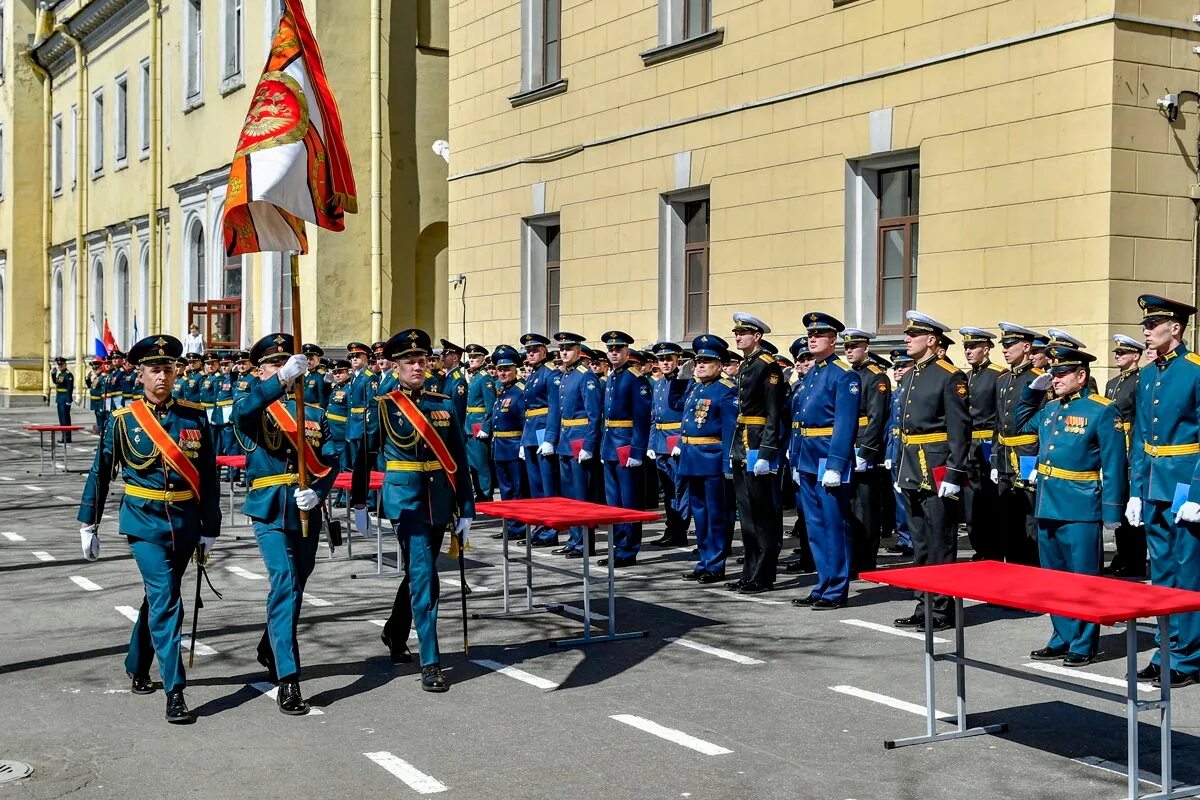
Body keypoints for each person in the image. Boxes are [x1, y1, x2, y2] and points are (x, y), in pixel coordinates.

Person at [77, 334, 221, 724]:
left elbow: (207, 474)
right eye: (155, 369)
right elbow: (101, 471)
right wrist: (88, 521)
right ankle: (175, 690)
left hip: (186, 522)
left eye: (169, 369)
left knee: (160, 597)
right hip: (143, 521)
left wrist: (211, 526)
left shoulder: (193, 415)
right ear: (139, 375)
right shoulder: (123, 420)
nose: (163, 376)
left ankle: (137, 661)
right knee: (166, 600)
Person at [233, 334, 339, 714]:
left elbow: (330, 459)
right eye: (273, 365)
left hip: (305, 509)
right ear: (259, 370)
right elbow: (241, 414)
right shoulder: (256, 406)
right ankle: (288, 677)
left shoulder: (313, 412)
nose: (282, 369)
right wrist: (278, 384)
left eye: (287, 364)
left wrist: (320, 492)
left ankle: (269, 645)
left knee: (297, 582)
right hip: (269, 508)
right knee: (286, 582)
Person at [367, 329, 474, 692]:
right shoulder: (384, 404)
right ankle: (431, 662)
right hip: (406, 501)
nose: (417, 365)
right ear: (395, 366)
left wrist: (468, 507)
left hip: (439, 500)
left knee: (419, 570)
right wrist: (359, 504)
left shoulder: (442, 403)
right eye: (409, 361)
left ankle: (395, 632)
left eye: (422, 360)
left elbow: (458, 457)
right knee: (427, 575)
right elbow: (364, 453)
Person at [1013, 346, 1126, 666]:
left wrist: (1113, 510)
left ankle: (1084, 641)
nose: (1055, 378)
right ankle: (1061, 635)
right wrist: (1031, 393)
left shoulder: (1102, 410)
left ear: (1082, 375)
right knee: (1054, 578)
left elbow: (1115, 463)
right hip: (1048, 502)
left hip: (1080, 505)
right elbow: (1020, 427)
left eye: (1062, 373)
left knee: (1083, 579)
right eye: (1053, 373)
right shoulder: (1049, 409)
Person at [1127, 295, 1200, 688]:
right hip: (1155, 484)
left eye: (1153, 325)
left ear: (1175, 328)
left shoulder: (1195, 371)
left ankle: (1189, 657)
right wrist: (1137, 490)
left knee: (1189, 573)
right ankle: (1166, 650)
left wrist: (1198, 493)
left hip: (1185, 483)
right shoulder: (1149, 374)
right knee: (1163, 573)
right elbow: (1140, 435)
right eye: (1144, 325)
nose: (1146, 331)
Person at [893, 311, 970, 632]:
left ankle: (941, 609)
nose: (907, 339)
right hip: (911, 467)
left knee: (940, 542)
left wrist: (954, 474)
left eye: (913, 335)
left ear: (932, 340)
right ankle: (923, 601)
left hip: (937, 468)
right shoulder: (912, 375)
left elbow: (960, 430)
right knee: (921, 543)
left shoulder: (949, 376)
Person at [789, 314, 859, 610]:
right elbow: (799, 421)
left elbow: (845, 423)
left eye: (819, 334)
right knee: (815, 525)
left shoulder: (844, 374)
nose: (812, 338)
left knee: (834, 525)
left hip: (827, 458)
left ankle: (836, 588)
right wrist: (795, 459)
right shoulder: (812, 374)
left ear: (833, 340)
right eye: (809, 334)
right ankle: (823, 583)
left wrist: (836, 463)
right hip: (806, 457)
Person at [725, 313, 786, 594]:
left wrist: (767, 452)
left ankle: (764, 574)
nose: (737, 336)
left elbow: (774, 414)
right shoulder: (748, 364)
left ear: (757, 336)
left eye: (743, 332)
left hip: (759, 443)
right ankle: (749, 571)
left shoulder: (767, 366)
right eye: (736, 332)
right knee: (746, 514)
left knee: (764, 516)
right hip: (743, 443)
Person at [676, 335, 738, 582]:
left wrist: (727, 464)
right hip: (692, 459)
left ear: (720, 365)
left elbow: (730, 430)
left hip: (712, 460)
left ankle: (715, 563)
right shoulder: (695, 388)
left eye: (706, 361)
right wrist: (680, 378)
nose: (699, 365)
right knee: (699, 515)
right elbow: (674, 404)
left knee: (716, 515)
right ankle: (704, 560)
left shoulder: (725, 391)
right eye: (698, 361)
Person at [542, 332, 602, 557]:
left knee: (581, 495)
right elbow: (557, 412)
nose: (564, 352)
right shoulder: (565, 376)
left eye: (568, 348)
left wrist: (589, 444)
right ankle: (574, 539)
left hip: (579, 439)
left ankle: (585, 543)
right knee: (568, 495)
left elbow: (594, 414)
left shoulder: (585, 376)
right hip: (566, 440)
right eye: (562, 349)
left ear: (578, 350)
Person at [990, 322, 1045, 565]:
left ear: (1026, 347)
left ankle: (1030, 575)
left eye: (1010, 345)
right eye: (1004, 345)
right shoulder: (1002, 380)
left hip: (1028, 454)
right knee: (1008, 518)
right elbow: (997, 423)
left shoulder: (1038, 380)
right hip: (1005, 455)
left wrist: (1038, 462)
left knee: (1028, 520)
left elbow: (1044, 423)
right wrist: (994, 458)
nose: (1005, 349)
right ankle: (1012, 575)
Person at [598, 331, 653, 567]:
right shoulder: (612, 376)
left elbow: (641, 418)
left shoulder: (635, 378)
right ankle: (617, 546)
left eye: (618, 349)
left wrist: (637, 450)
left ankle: (629, 549)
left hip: (627, 445)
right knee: (613, 502)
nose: (613, 353)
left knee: (629, 501)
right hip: (611, 444)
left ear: (627, 352)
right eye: (610, 350)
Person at [841, 329, 889, 575]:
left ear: (866, 348)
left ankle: (865, 560)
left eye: (854, 346)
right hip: (847, 444)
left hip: (863, 446)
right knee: (848, 506)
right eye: (847, 347)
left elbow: (877, 417)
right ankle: (851, 557)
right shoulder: (849, 375)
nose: (849, 350)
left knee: (865, 507)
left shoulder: (876, 377)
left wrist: (866, 451)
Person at [958, 327, 1005, 561]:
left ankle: (992, 549)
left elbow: (999, 414)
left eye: (973, 347)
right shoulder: (966, 376)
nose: (968, 351)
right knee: (971, 502)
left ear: (986, 350)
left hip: (987, 442)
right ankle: (979, 546)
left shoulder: (998, 375)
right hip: (969, 445)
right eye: (966, 347)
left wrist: (996, 451)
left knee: (989, 500)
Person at [1105, 334, 1146, 578]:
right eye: (1116, 353)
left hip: (1130, 443)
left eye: (1123, 353)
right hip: (1116, 445)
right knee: (1117, 503)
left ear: (1136, 356)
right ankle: (1123, 555)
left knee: (1132, 503)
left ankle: (1136, 560)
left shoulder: (1139, 380)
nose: (1118, 356)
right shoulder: (1112, 383)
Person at [648, 341, 692, 547]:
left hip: (676, 440)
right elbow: (654, 417)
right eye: (661, 359)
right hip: (660, 442)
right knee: (668, 491)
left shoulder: (685, 382)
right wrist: (651, 443)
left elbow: (688, 416)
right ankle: (671, 528)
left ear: (677, 360)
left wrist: (681, 443)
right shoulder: (658, 384)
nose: (665, 363)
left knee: (680, 490)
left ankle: (680, 530)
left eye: (668, 359)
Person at [522, 333, 562, 546]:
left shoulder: (550, 374)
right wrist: (523, 441)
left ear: (544, 351)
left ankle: (550, 530)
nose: (530, 353)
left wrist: (550, 437)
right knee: (535, 485)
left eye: (534, 350)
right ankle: (540, 527)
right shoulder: (534, 374)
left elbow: (555, 408)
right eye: (528, 351)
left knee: (547, 485)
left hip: (543, 431)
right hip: (530, 433)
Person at [488, 345, 528, 541]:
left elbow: (525, 419)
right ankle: (510, 525)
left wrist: (522, 444)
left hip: (514, 445)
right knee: (505, 491)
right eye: (500, 369)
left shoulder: (520, 391)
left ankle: (519, 526)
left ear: (515, 370)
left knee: (518, 489)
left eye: (507, 369)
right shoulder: (501, 391)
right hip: (500, 447)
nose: (502, 373)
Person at [884, 348, 914, 556]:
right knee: (899, 496)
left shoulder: (913, 391)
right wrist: (887, 453)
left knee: (910, 497)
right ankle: (905, 537)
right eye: (895, 367)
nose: (898, 370)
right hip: (895, 449)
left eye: (903, 366)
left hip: (910, 450)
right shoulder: (896, 393)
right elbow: (889, 427)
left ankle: (913, 539)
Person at [463, 343, 496, 503]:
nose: (472, 360)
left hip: (478, 425)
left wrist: (486, 426)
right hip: (470, 425)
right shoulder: (475, 376)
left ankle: (485, 493)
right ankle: (479, 492)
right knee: (473, 463)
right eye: (470, 357)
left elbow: (490, 406)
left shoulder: (485, 378)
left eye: (475, 357)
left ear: (483, 359)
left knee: (481, 463)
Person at [51, 356, 75, 441]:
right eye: (59, 364)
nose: (60, 366)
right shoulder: (61, 374)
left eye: (61, 364)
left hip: (65, 399)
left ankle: (67, 437)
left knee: (65, 418)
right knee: (61, 418)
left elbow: (69, 388)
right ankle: (64, 436)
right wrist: (53, 375)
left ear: (65, 364)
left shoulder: (68, 375)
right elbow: (56, 382)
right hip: (60, 398)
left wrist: (68, 400)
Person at [302, 344, 331, 409]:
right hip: (306, 409)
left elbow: (323, 397)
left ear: (318, 360)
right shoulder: (309, 375)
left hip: (315, 410)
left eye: (311, 359)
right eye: (306, 359)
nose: (308, 362)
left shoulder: (321, 375)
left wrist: (322, 411)